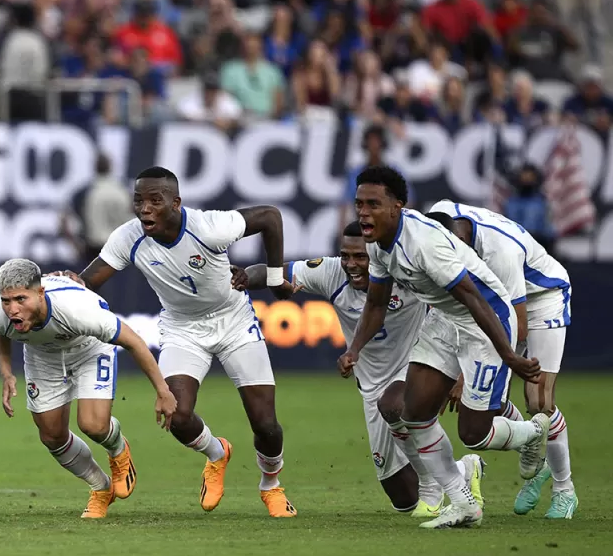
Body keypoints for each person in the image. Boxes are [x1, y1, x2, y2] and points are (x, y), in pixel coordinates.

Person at [61, 166, 298, 518]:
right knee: (177, 415)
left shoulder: (207, 226)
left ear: (176, 202)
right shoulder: (128, 237)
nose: (144, 209)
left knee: (265, 423)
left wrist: (276, 278)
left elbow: (270, 217)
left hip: (233, 321)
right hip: (182, 328)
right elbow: (89, 280)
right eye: (138, 201)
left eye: (155, 201)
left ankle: (271, 486)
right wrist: (67, 285)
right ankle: (217, 454)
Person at [339, 166, 544, 530]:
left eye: (373, 203)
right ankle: (464, 503)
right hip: (445, 321)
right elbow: (375, 304)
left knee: (474, 434)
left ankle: (533, 433)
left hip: (486, 321)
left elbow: (474, 298)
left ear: (397, 207)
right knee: (413, 413)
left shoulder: (423, 243)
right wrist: (355, 349)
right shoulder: (377, 244)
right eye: (359, 204)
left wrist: (510, 355)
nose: (363, 212)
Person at [232, 223, 483, 517]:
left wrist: (464, 370)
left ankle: (434, 484)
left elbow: (463, 307)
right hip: (370, 383)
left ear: (375, 255)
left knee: (393, 405)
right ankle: (463, 469)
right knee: (403, 499)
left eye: (360, 257)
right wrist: (244, 277)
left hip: (416, 364)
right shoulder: (330, 272)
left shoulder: (405, 270)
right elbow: (277, 271)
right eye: (345, 256)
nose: (351, 264)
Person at [0, 260, 176, 518]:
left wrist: (163, 391)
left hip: (89, 348)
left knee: (93, 425)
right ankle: (100, 487)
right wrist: (6, 373)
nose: (12, 309)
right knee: (51, 436)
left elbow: (134, 342)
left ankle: (118, 449)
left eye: (20, 299)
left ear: (40, 292)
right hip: (43, 356)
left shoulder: (78, 309)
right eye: (6, 301)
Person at [426, 202, 578, 519]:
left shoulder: (499, 253)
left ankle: (565, 490)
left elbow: (517, 328)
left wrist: (467, 375)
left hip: (541, 298)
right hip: (497, 306)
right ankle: (533, 446)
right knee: (491, 403)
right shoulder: (438, 219)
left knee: (538, 399)